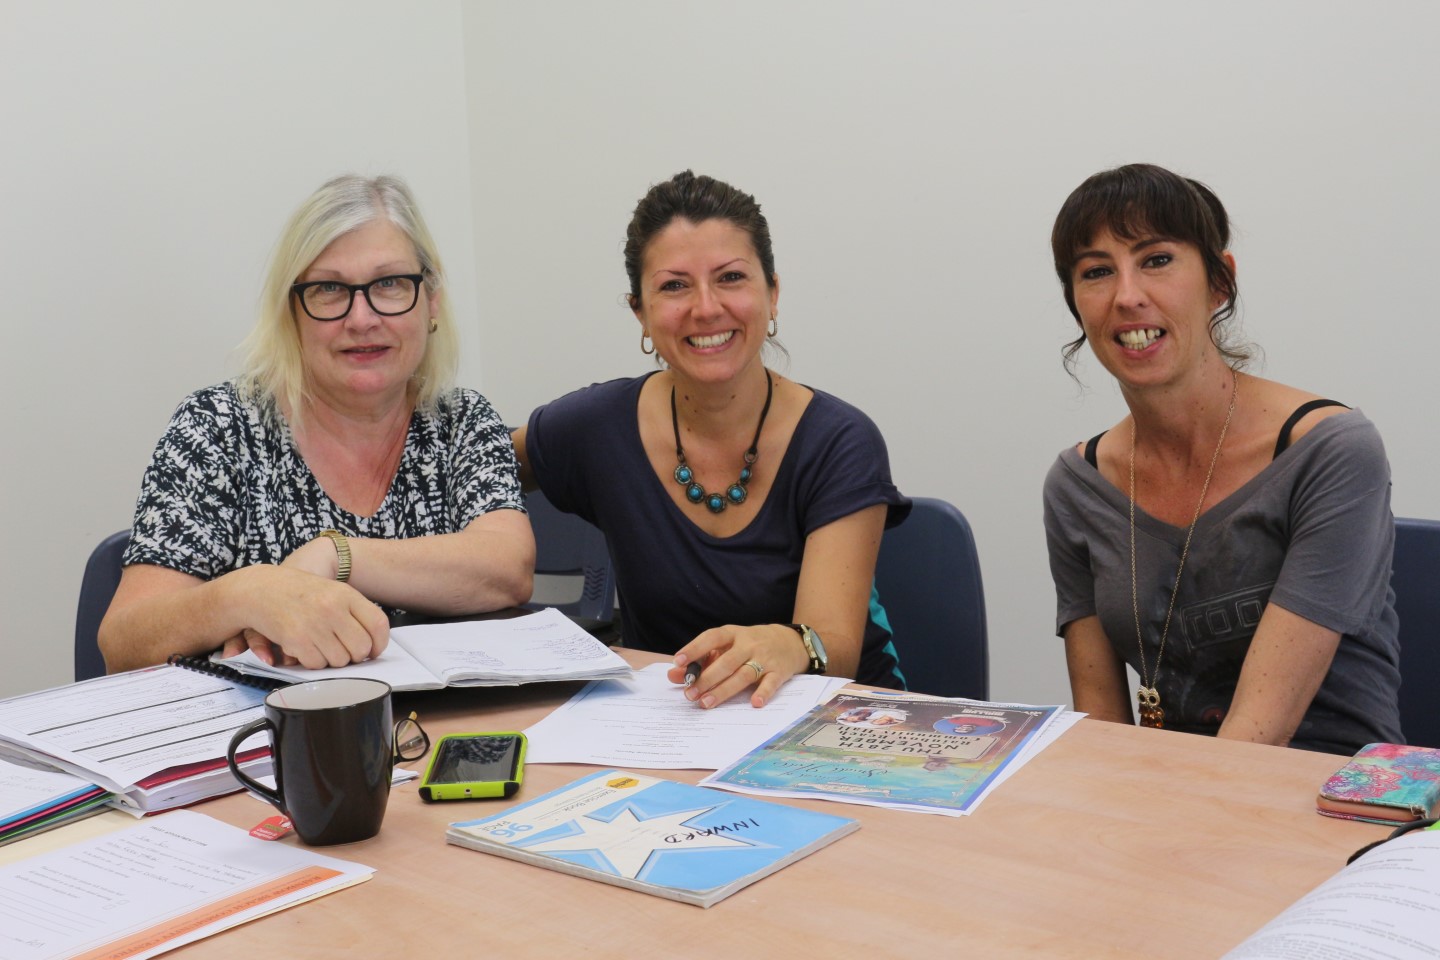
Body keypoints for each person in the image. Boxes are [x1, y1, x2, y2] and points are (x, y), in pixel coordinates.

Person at [100, 175, 534, 673]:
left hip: (430, 735)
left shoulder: (459, 421)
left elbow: (507, 568)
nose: (362, 318)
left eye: (390, 284)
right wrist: (251, 591)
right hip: (256, 739)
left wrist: (335, 555)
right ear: (292, 310)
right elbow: (123, 643)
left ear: (431, 300)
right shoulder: (219, 428)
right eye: (330, 290)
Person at [514, 171, 909, 708]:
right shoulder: (596, 426)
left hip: (837, 727)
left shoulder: (839, 440)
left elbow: (834, 648)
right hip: (671, 733)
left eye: (730, 278)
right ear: (641, 313)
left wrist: (786, 643)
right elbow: (473, 472)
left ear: (772, 294)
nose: (705, 307)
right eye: (674, 285)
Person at [1043, 163, 1401, 754]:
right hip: (1172, 799)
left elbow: (1256, 739)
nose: (1127, 296)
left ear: (1220, 282)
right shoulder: (1078, 483)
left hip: (1330, 803)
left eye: (1156, 260)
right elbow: (1102, 729)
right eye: (1097, 272)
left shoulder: (1330, 450)